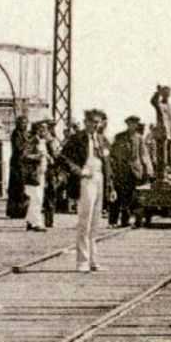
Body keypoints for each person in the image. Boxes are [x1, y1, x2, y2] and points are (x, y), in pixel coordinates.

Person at [61, 109, 111, 271]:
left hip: (99, 178)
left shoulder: (102, 139)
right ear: (86, 122)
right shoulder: (77, 138)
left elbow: (108, 163)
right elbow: (62, 157)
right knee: (85, 221)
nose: (95, 125)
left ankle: (93, 260)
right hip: (86, 178)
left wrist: (111, 185)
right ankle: (82, 261)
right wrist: (78, 171)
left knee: (96, 221)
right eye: (92, 122)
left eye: (98, 122)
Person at [109, 115, 153, 227]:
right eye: (130, 124)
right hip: (121, 170)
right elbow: (113, 153)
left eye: (135, 124)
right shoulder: (119, 137)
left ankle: (126, 220)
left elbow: (143, 154)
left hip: (134, 171)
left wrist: (148, 169)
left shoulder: (139, 138)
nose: (133, 126)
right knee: (118, 195)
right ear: (127, 124)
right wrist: (113, 166)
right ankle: (113, 220)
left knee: (130, 196)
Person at [21, 119, 51, 231]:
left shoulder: (43, 142)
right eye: (42, 129)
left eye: (46, 129)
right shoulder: (33, 141)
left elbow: (44, 153)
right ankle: (36, 223)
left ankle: (30, 221)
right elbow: (25, 155)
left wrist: (48, 158)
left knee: (37, 198)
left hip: (41, 173)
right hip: (33, 174)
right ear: (37, 130)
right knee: (37, 198)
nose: (45, 131)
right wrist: (36, 157)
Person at [5, 116, 31, 219]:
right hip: (17, 163)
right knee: (17, 186)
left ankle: (21, 210)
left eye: (25, 123)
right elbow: (18, 148)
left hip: (23, 163)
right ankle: (15, 211)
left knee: (22, 187)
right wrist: (28, 145)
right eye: (22, 123)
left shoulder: (25, 134)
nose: (24, 125)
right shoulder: (16, 134)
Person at [150, 85, 171, 179]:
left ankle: (167, 172)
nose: (166, 95)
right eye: (164, 93)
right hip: (161, 133)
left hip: (169, 133)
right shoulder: (159, 104)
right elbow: (153, 101)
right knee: (161, 154)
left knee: (168, 154)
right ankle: (161, 174)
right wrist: (157, 92)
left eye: (168, 93)